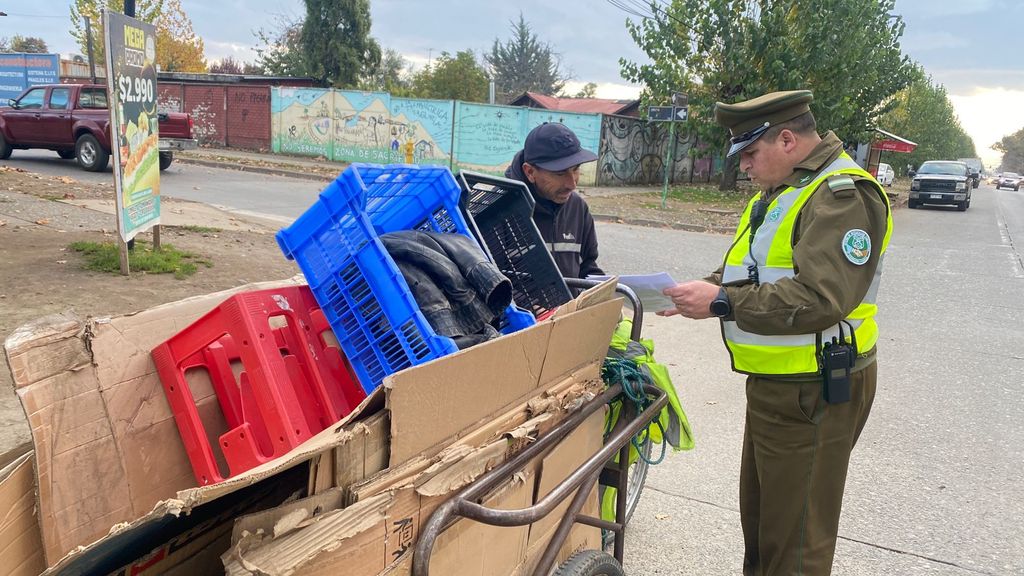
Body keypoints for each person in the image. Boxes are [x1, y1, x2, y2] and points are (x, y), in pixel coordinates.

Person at [659, 90, 893, 575]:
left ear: (786, 139)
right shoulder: (789, 188)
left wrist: (722, 302)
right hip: (782, 386)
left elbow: (821, 298)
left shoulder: (840, 194)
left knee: (796, 542)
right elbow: (757, 270)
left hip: (814, 389)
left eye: (748, 153)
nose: (743, 165)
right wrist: (706, 287)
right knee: (766, 525)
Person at [505, 122, 604, 279]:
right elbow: (484, 282)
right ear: (530, 172)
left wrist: (606, 291)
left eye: (576, 169)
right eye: (560, 173)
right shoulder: (498, 210)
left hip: (571, 304)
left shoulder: (578, 208)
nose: (572, 184)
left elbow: (587, 267)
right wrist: (524, 303)